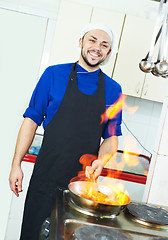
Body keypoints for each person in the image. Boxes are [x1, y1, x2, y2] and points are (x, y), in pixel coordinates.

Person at [9, 23, 122, 240]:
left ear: (108, 52)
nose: (97, 47)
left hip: (82, 187)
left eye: (104, 45)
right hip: (46, 177)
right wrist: (16, 165)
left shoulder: (113, 89)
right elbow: (31, 121)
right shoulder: (53, 75)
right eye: (92, 40)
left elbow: (110, 137)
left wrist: (102, 159)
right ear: (80, 42)